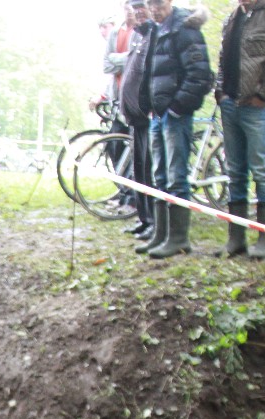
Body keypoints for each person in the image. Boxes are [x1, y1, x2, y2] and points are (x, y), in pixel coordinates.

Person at [214, 0, 265, 259]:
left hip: (256, 107)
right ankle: (236, 240)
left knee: (262, 171)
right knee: (235, 172)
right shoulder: (231, 18)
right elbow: (223, 60)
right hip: (230, 105)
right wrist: (220, 91)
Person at [139, 0, 213, 258]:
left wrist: (177, 107)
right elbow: (150, 73)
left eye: (158, 3)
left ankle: (179, 239)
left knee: (176, 177)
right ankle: (161, 234)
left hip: (176, 115)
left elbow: (200, 74)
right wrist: (149, 106)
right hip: (157, 114)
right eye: (150, 3)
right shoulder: (154, 29)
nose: (153, 8)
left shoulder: (185, 28)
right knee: (159, 176)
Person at [119, 0, 156, 240]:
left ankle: (155, 221)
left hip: (149, 114)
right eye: (134, 6)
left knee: (151, 171)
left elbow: (155, 74)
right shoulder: (138, 35)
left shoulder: (156, 34)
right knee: (140, 170)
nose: (138, 11)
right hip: (135, 116)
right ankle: (144, 219)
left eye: (141, 5)